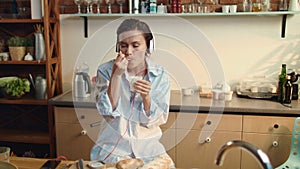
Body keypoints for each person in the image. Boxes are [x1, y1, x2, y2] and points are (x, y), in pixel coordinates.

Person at [90, 18, 174, 167]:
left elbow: (157, 120)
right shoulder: (105, 70)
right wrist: (116, 76)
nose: (128, 52)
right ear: (118, 47)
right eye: (123, 46)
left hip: (149, 151)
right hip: (113, 150)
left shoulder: (160, 75)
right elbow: (107, 112)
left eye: (135, 45)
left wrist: (146, 97)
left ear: (149, 46)